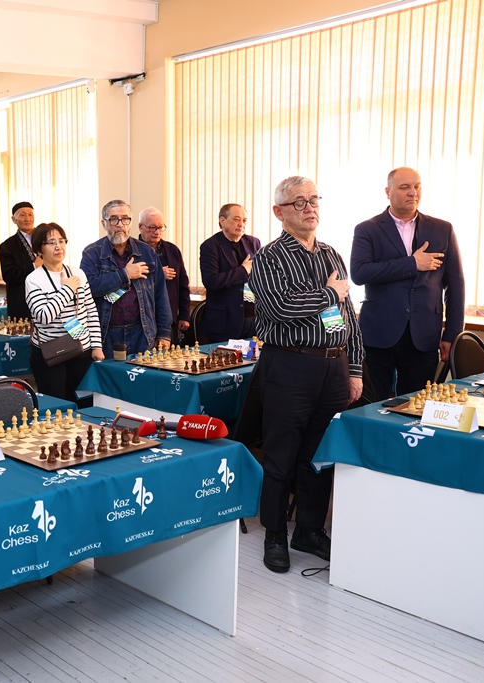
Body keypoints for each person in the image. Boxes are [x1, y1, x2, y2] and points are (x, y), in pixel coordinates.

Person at [248, 176, 364, 574]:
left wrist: (354, 369)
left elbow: (348, 317)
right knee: (282, 455)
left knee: (320, 454)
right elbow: (281, 308)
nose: (310, 207)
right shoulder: (268, 257)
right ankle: (275, 534)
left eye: (314, 199)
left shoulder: (332, 254)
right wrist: (329, 294)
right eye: (299, 202)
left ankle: (310, 530)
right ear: (279, 212)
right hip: (290, 365)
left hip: (333, 366)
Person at [350, 167, 465, 398]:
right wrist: (412, 263)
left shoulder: (442, 229)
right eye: (405, 187)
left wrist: (452, 333)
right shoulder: (367, 229)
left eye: (417, 186)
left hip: (423, 335)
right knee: (372, 403)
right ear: (388, 192)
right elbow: (359, 273)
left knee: (416, 405)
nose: (413, 192)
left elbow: (456, 285)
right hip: (378, 333)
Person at [81, 199, 172, 355]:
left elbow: (160, 294)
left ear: (130, 223)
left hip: (142, 331)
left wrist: (164, 333)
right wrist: (125, 274)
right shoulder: (92, 253)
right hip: (106, 333)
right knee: (109, 371)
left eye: (125, 219)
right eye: (113, 219)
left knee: (141, 370)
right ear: (104, 224)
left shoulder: (147, 252)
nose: (120, 225)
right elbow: (89, 288)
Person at [25, 222, 103, 401]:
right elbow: (44, 317)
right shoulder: (33, 279)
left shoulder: (77, 273)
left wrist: (96, 346)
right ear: (39, 249)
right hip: (51, 353)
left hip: (82, 349)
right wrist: (67, 289)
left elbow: (90, 310)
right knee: (56, 406)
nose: (58, 246)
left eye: (61, 241)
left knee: (85, 404)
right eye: (51, 242)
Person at [199, 203, 261, 342]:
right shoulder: (210, 246)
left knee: (253, 356)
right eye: (236, 219)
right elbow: (211, 281)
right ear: (222, 221)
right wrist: (243, 270)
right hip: (226, 321)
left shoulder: (254, 243)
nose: (241, 224)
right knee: (227, 356)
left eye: (244, 220)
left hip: (253, 318)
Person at [138, 207, 190, 345]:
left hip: (169, 317)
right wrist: (158, 273)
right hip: (143, 318)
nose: (157, 232)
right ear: (140, 227)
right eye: (152, 228)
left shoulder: (172, 250)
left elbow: (183, 284)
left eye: (160, 227)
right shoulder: (133, 250)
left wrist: (184, 315)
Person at [0, 202, 39, 319]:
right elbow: (9, 275)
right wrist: (34, 266)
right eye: (23, 215)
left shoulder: (44, 239)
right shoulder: (7, 246)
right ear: (14, 219)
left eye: (30, 215)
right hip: (22, 302)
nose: (27, 219)